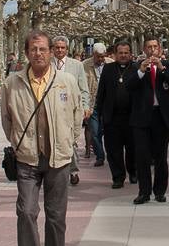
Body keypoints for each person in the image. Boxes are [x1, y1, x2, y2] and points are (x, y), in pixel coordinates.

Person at [1, 30, 81, 246]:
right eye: (33, 49)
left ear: (51, 52)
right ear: (26, 53)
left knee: (56, 218)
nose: (38, 54)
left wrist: (70, 141)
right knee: (26, 213)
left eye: (43, 49)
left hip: (58, 158)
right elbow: (7, 118)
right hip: (27, 159)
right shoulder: (12, 83)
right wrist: (17, 143)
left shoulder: (66, 81)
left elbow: (76, 113)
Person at [132, 37, 169, 204]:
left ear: (159, 49)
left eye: (154, 47)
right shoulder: (136, 67)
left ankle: (160, 191)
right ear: (144, 49)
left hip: (161, 117)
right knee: (142, 156)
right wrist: (141, 71)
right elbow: (129, 86)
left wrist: (162, 69)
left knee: (160, 156)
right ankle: (144, 192)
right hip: (142, 118)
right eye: (149, 47)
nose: (152, 50)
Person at [93, 41, 138, 189]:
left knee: (133, 148)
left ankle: (133, 172)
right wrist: (99, 113)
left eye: (126, 52)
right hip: (112, 117)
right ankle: (118, 177)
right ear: (115, 54)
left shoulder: (136, 68)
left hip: (132, 117)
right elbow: (101, 92)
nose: (123, 55)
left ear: (130, 54)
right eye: (120, 53)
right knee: (113, 149)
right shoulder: (108, 68)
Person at [52, 36, 88, 186]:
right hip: (53, 109)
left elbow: (83, 88)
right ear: (53, 49)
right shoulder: (47, 64)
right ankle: (57, 171)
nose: (60, 50)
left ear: (67, 49)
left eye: (62, 48)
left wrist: (85, 106)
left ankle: (73, 170)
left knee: (71, 142)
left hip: (72, 110)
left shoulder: (77, 65)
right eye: (57, 47)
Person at [82, 42, 108, 167]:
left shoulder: (111, 63)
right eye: (98, 56)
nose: (101, 59)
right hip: (92, 104)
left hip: (108, 104)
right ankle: (100, 156)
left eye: (103, 56)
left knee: (108, 132)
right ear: (93, 55)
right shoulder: (85, 65)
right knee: (95, 132)